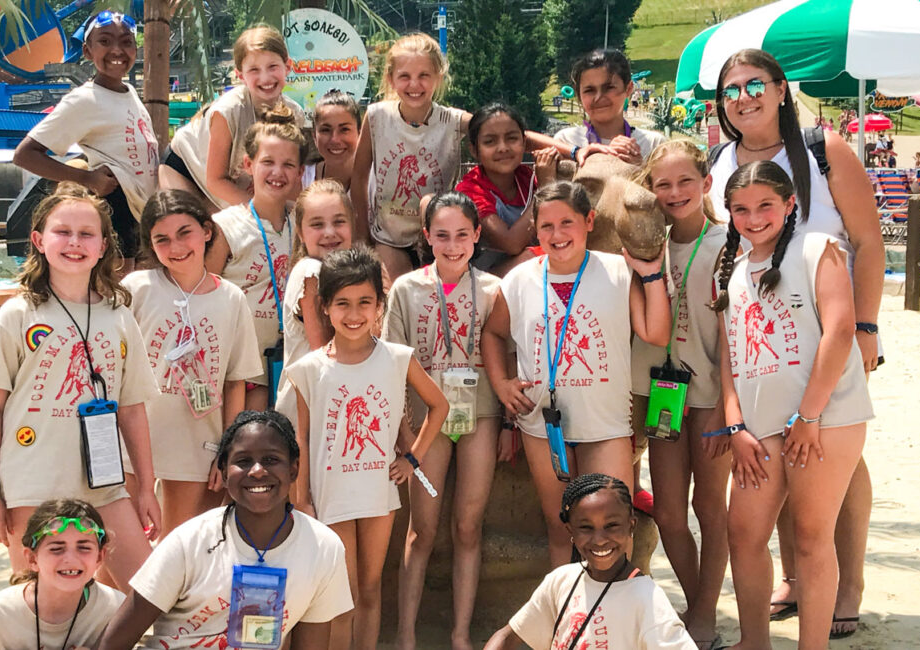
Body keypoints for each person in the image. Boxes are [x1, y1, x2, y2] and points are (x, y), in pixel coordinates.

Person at [708, 49, 883, 638]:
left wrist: (866, 327)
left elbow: (868, 240)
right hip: (762, 347)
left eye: (755, 84)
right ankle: (789, 592)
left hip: (827, 332)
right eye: (731, 89)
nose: (744, 97)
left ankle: (845, 586)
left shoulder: (821, 149)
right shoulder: (720, 161)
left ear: (781, 88)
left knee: (832, 480)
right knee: (765, 508)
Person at [0, 183, 161, 586]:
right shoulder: (17, 314)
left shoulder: (119, 316)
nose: (74, 242)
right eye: (63, 231)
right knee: (38, 602)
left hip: (105, 484)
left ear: (104, 245)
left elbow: (131, 408)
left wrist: (146, 487)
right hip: (31, 483)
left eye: (86, 233)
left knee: (147, 594)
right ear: (39, 240)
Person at [481, 180, 671, 568]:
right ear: (535, 228)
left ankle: (614, 618)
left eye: (567, 222)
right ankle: (567, 618)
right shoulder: (519, 280)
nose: (557, 234)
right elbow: (494, 332)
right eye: (546, 225)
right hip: (543, 425)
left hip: (604, 424)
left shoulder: (618, 271)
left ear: (589, 221)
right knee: (560, 526)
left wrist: (650, 275)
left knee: (613, 527)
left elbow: (656, 332)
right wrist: (501, 383)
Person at [286, 246, 448, 650]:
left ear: (380, 305)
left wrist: (412, 457)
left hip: (377, 493)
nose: (354, 314)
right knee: (343, 595)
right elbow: (302, 438)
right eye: (342, 303)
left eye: (364, 302)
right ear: (324, 307)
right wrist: (302, 499)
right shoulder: (307, 369)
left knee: (371, 590)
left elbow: (439, 406)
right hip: (329, 495)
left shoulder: (397, 358)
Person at [95, 410, 353, 649]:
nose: (258, 471)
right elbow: (115, 641)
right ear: (224, 472)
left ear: (294, 469)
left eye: (271, 460)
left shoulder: (323, 548)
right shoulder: (190, 541)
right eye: (243, 461)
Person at [385, 192, 506, 650]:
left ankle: (459, 635)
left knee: (468, 527)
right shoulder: (406, 289)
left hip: (481, 416)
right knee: (422, 530)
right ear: (427, 237)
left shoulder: (495, 290)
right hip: (425, 422)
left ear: (477, 235)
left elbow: (504, 360)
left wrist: (510, 428)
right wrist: (404, 433)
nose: (452, 245)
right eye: (441, 235)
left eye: (461, 234)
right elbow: (392, 363)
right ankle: (406, 636)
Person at [350, 33, 563, 281]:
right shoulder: (377, 117)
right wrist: (362, 236)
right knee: (398, 291)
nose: (414, 85)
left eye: (423, 76)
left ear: (438, 77)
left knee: (430, 213)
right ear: (390, 78)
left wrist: (578, 150)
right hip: (390, 235)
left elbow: (503, 130)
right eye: (405, 76)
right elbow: (360, 175)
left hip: (439, 234)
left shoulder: (451, 120)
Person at [631, 141, 730, 649]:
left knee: (710, 506)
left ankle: (705, 614)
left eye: (684, 181)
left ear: (706, 183)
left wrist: (731, 409)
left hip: (712, 395)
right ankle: (699, 603)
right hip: (663, 392)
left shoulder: (727, 243)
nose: (674, 193)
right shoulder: (647, 246)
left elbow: (734, 334)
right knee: (669, 511)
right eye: (662, 184)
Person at [122, 189, 262, 535]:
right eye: (162, 239)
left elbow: (235, 382)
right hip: (131, 444)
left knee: (181, 549)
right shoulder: (136, 289)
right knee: (119, 554)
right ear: (150, 245)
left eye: (185, 233)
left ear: (207, 231)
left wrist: (229, 450)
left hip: (199, 444)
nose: (176, 247)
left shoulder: (231, 299)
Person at [483, 474, 696, 650]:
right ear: (570, 532)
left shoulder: (647, 599)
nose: (599, 539)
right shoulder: (561, 580)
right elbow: (506, 637)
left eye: (611, 525)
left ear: (631, 526)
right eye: (586, 528)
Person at [13, 10, 157, 270]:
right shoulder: (84, 100)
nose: (117, 50)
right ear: (87, 51)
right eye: (104, 41)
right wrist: (87, 179)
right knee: (116, 299)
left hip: (141, 217)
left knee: (136, 303)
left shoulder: (130, 93)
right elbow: (25, 154)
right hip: (116, 211)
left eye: (126, 42)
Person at [205, 103, 307, 411]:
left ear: (301, 171)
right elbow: (205, 295)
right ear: (249, 164)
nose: (278, 172)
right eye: (268, 162)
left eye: (289, 164)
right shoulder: (225, 226)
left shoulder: (304, 225)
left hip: (290, 360)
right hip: (240, 370)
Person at [162, 25, 306, 210]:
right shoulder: (229, 111)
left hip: (231, 179)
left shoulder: (295, 114)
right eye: (254, 70)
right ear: (240, 75)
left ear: (287, 67)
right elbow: (215, 180)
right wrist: (261, 210)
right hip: (185, 169)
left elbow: (293, 180)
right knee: (205, 231)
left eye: (272, 67)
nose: (265, 78)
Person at [0, 498, 123, 650]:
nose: (71, 559)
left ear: (100, 557)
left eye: (84, 548)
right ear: (32, 558)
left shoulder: (116, 610)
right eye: (56, 549)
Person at [275, 179, 355, 425]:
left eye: (339, 221)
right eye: (317, 224)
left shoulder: (348, 273)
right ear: (300, 232)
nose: (330, 232)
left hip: (334, 406)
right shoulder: (311, 271)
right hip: (309, 415)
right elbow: (323, 353)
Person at [455, 103, 554, 275]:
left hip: (528, 269)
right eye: (489, 142)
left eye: (512, 138)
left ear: (524, 143)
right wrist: (545, 188)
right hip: (484, 278)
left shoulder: (528, 178)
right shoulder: (470, 190)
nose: (503, 148)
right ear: (474, 150)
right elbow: (511, 244)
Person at [553, 49, 667, 166]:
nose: (598, 97)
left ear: (628, 89)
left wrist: (638, 168)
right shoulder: (566, 141)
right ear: (579, 95)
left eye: (608, 88)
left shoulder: (653, 144)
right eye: (589, 90)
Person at [304, 90, 361, 191]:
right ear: (314, 137)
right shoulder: (302, 179)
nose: (335, 139)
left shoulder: (376, 180)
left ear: (359, 133)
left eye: (344, 130)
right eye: (326, 130)